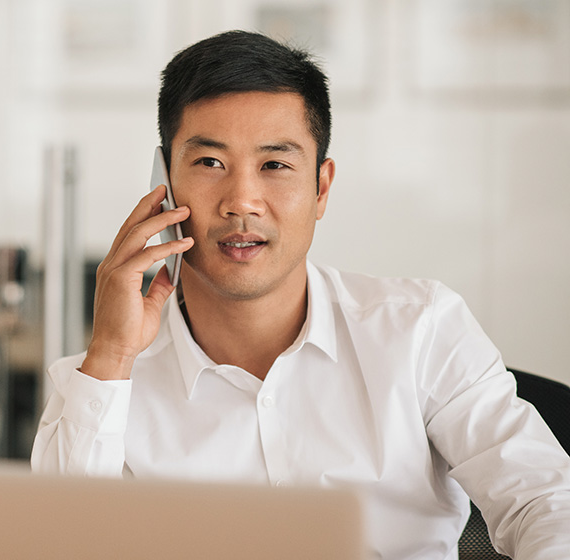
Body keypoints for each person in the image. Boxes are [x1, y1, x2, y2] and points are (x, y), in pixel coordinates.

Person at [31, 30, 570, 559]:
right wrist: (112, 354)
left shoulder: (420, 329)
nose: (242, 201)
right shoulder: (101, 385)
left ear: (321, 188)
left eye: (275, 165)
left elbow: (546, 501)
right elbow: (51, 548)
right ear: (164, 184)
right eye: (209, 163)